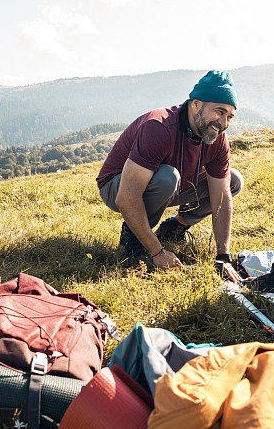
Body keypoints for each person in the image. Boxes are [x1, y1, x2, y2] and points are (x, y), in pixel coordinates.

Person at [96, 71, 244, 276]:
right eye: (219, 112)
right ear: (196, 104)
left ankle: (175, 227)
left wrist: (223, 256)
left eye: (229, 116)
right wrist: (157, 252)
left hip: (171, 183)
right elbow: (126, 198)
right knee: (168, 176)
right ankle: (134, 242)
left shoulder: (217, 136)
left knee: (233, 181)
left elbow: (221, 197)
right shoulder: (159, 127)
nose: (224, 123)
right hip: (117, 186)